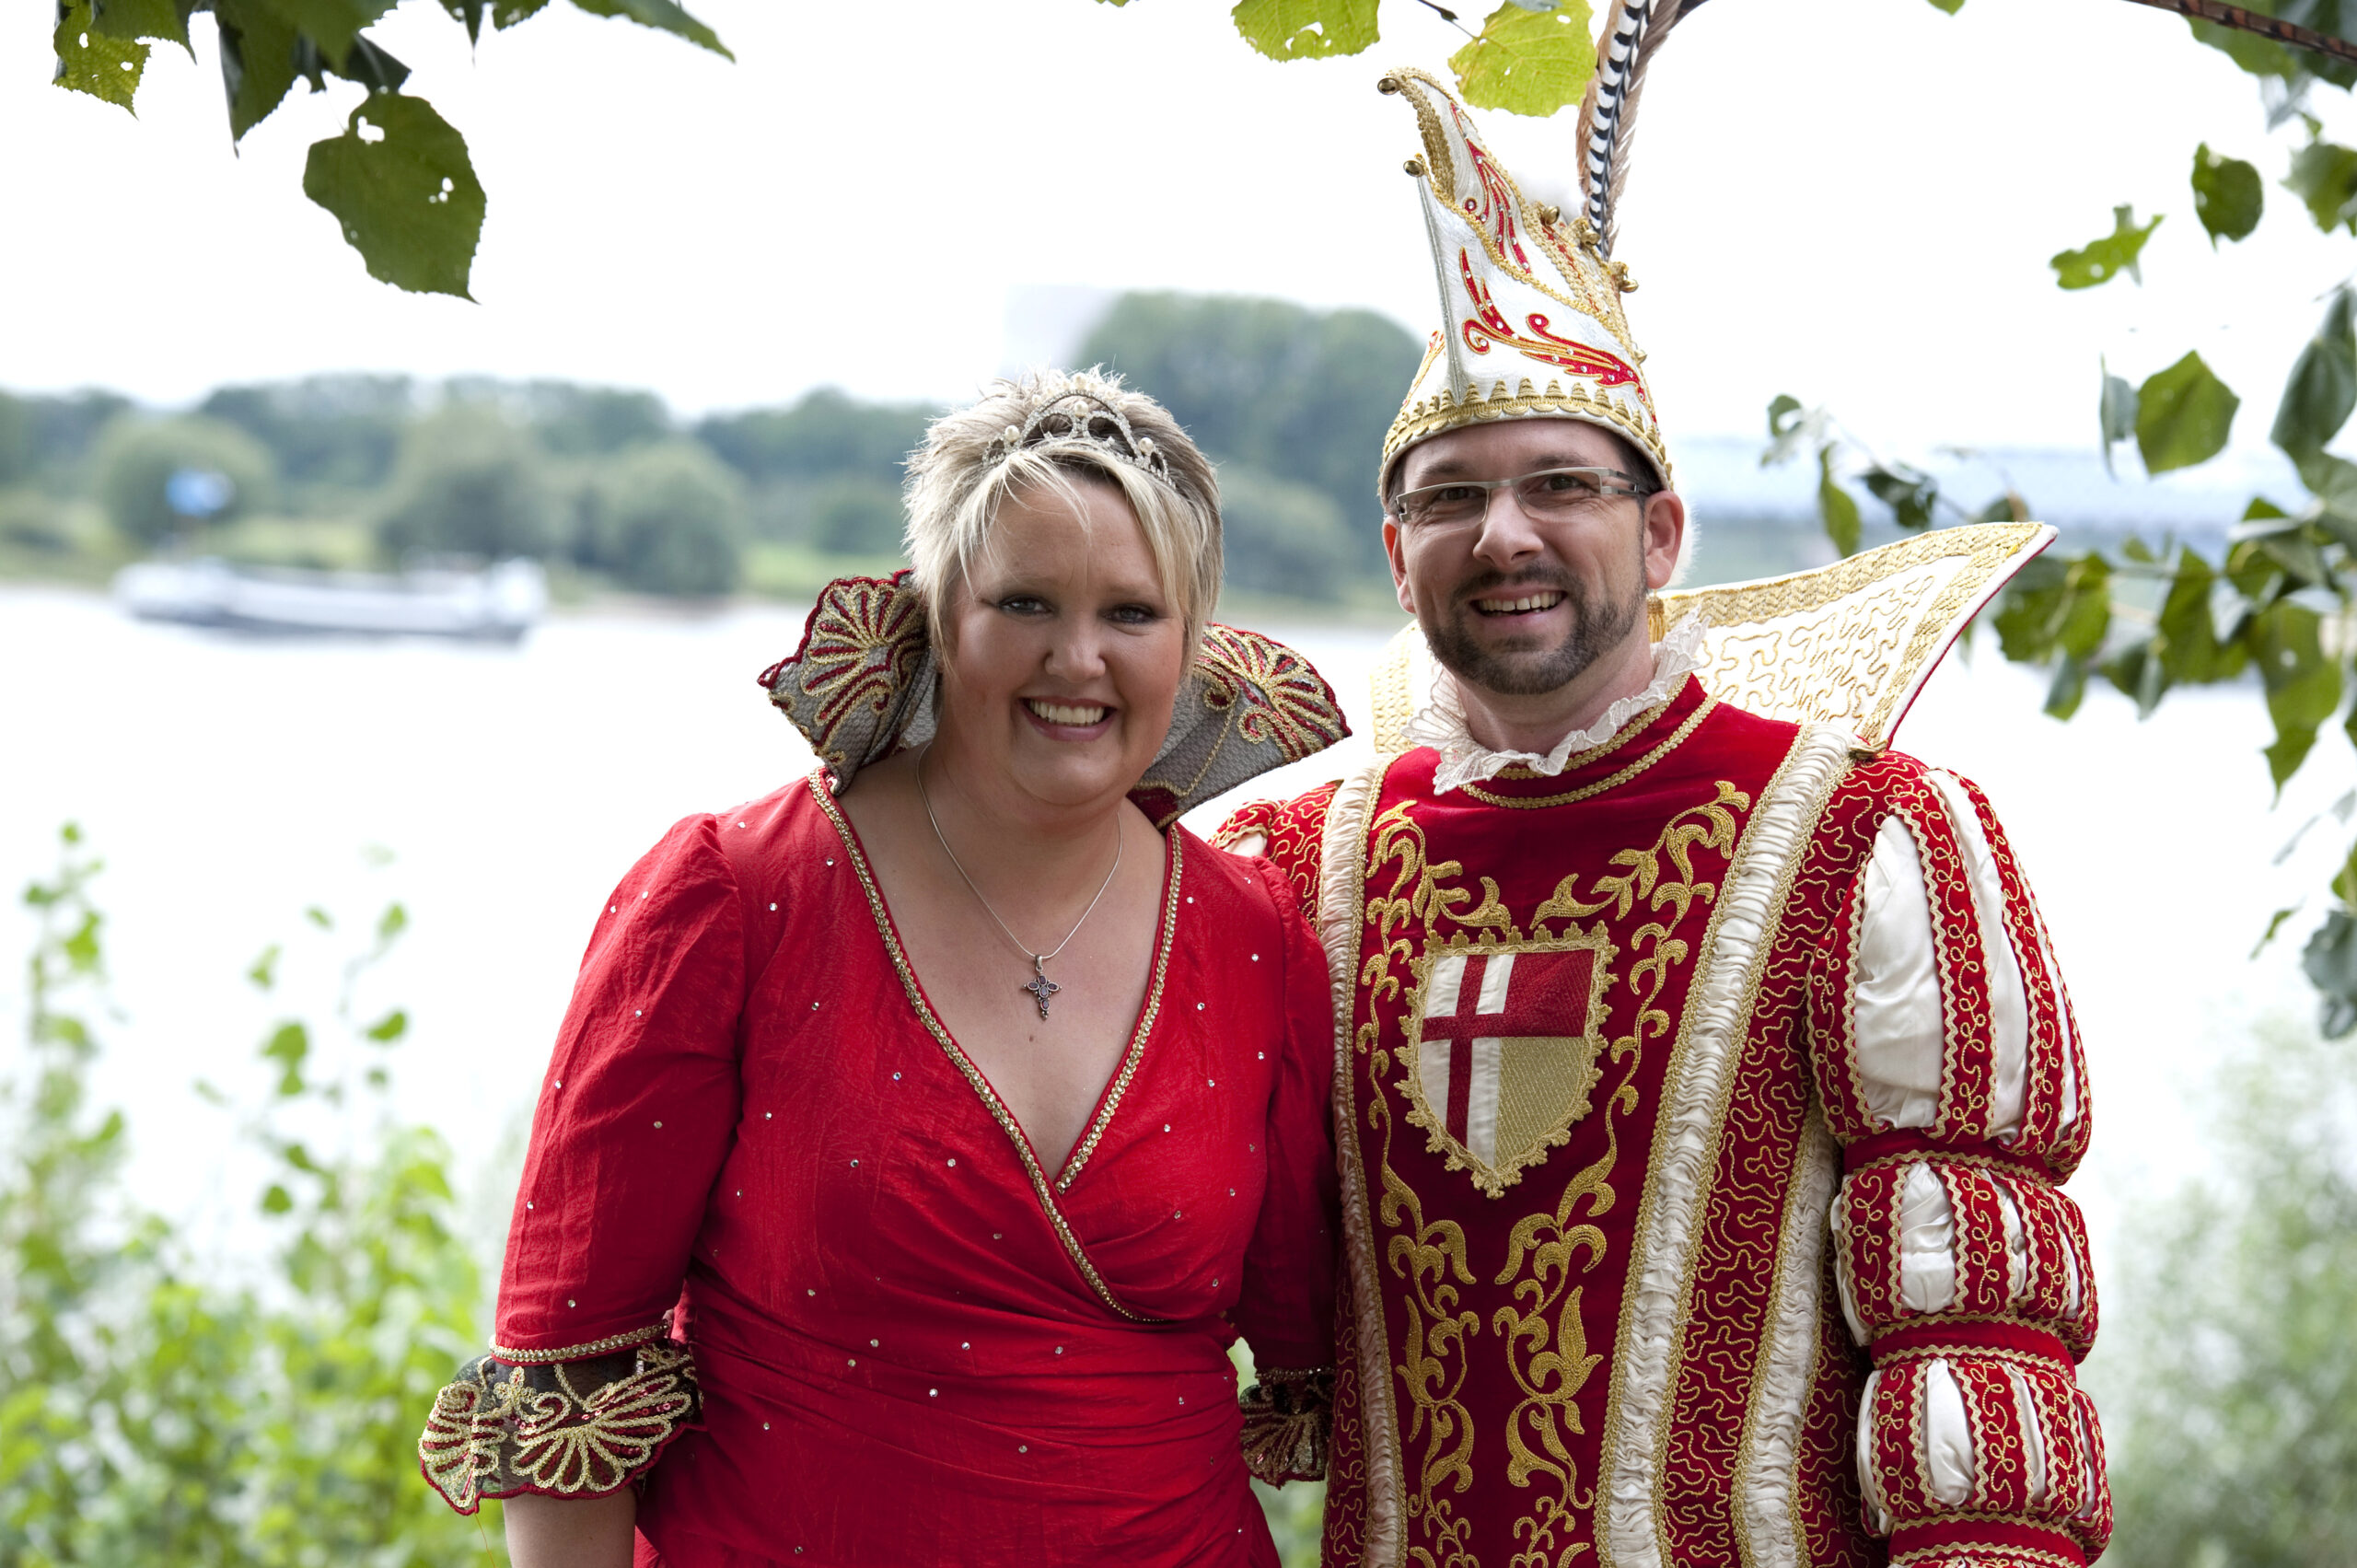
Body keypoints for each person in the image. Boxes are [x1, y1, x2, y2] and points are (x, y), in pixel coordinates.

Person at [1214, 63, 2112, 1568]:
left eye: (1559, 484)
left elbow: (1975, 1327)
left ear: (1662, 532)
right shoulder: (1294, 870)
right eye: (1449, 499)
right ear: (1393, 554)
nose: (1504, 535)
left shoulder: (1866, 837)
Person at [418, 369, 1353, 1568]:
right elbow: (571, 1363)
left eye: (1131, 613)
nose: (1078, 658)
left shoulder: (1260, 936)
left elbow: (1331, 1334)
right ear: (939, 615)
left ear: (1193, 643)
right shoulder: (733, 895)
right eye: (1024, 602)